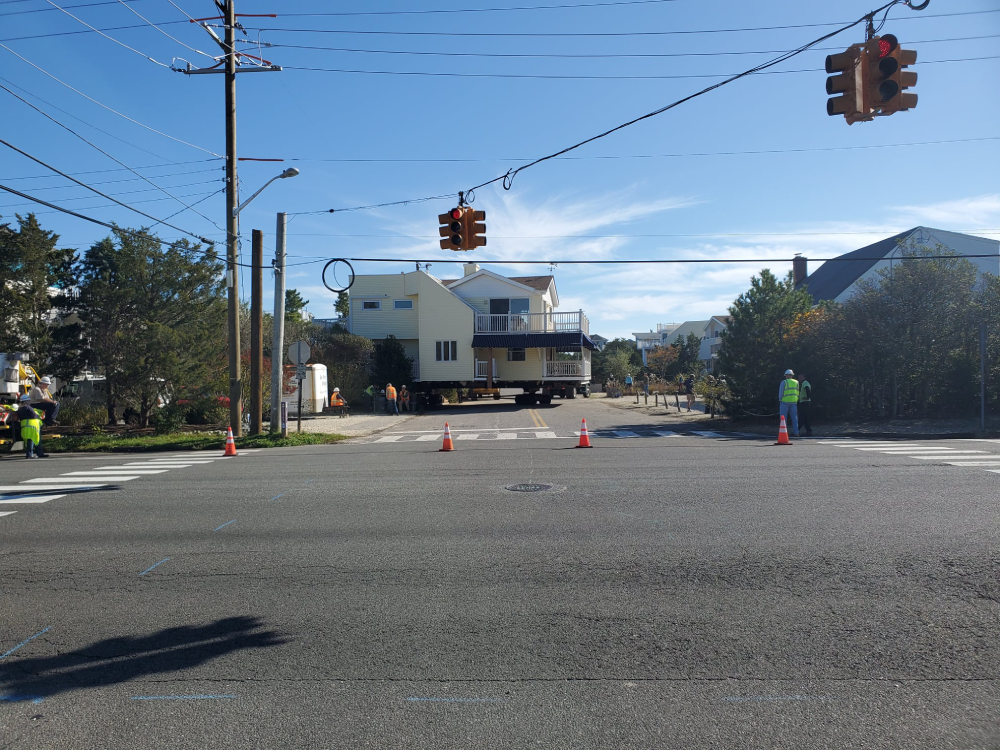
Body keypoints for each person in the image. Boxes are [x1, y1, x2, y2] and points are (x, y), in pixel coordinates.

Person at [15, 394, 47, 458]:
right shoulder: (29, 408)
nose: (30, 402)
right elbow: (34, 415)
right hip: (33, 427)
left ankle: (30, 454)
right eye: (29, 401)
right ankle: (38, 454)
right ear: (26, 401)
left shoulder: (19, 409)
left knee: (29, 441)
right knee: (37, 440)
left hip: (25, 428)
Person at [778, 368, 800, 438]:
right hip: (794, 402)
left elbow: (781, 393)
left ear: (786, 375)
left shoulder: (784, 382)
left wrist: (780, 400)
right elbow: (797, 392)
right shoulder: (796, 382)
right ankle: (796, 432)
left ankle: (784, 432)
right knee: (794, 418)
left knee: (783, 418)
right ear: (792, 375)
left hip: (785, 401)